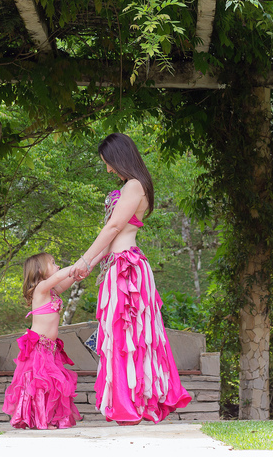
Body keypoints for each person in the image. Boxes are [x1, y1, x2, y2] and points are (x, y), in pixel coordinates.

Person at [69, 133, 192, 424]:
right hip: (116, 265)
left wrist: (84, 259)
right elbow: (111, 235)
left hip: (127, 269)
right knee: (120, 337)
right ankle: (130, 405)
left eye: (109, 163)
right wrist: (90, 264)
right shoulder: (129, 186)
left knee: (129, 337)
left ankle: (133, 405)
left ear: (120, 157)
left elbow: (113, 228)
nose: (108, 170)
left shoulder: (135, 186)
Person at [2, 252, 82, 429]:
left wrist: (79, 271)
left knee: (51, 386)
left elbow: (67, 280)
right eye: (53, 263)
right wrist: (77, 264)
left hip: (50, 348)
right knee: (39, 385)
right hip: (38, 347)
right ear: (40, 269)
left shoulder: (51, 290)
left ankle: (45, 418)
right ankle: (41, 420)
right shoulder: (41, 288)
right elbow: (62, 275)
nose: (57, 266)